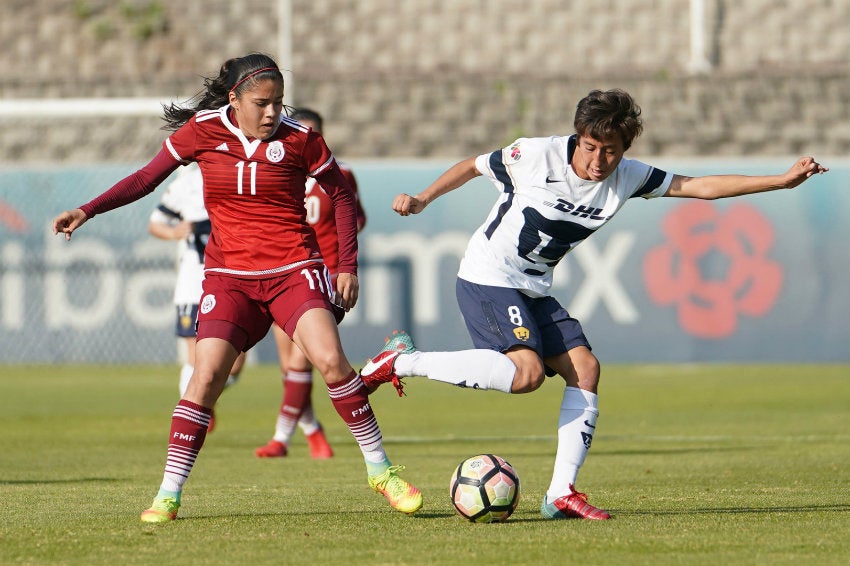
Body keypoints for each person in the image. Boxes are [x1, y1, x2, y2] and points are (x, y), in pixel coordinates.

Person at [360, 88, 828, 520]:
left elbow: (698, 186)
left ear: (624, 149)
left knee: (585, 367)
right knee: (525, 376)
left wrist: (782, 182)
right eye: (590, 146)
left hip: (532, 287)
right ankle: (402, 362)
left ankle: (561, 491)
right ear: (576, 137)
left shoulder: (628, 176)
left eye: (611, 150)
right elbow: (472, 165)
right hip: (488, 276)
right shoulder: (535, 154)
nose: (599, 160)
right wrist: (422, 198)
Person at [52, 53, 422, 523]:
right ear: (235, 99)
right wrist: (88, 210)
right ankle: (168, 493)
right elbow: (146, 178)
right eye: (263, 103)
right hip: (229, 277)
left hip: (294, 268)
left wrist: (345, 265)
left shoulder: (301, 139)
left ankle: (381, 471)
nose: (273, 113)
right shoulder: (203, 132)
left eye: (279, 103)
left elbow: (342, 195)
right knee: (204, 379)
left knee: (330, 360)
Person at [254, 108, 367, 459]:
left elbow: (356, 218)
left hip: (323, 276)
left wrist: (339, 258)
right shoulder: (275, 170)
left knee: (303, 362)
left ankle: (281, 438)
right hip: (282, 273)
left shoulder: (339, 173)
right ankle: (314, 431)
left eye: (312, 131)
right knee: (290, 366)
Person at [147, 162, 246, 432]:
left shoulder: (242, 173)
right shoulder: (185, 183)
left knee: (235, 364)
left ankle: (201, 400)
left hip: (233, 279)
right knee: (196, 356)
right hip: (194, 282)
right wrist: (174, 232)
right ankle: (190, 416)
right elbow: (155, 223)